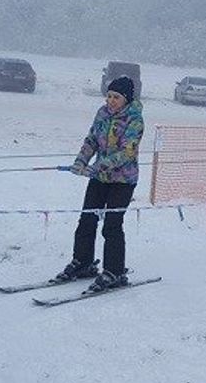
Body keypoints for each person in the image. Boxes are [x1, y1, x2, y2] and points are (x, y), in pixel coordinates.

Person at [54, 76, 145, 292]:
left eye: (116, 97)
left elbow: (127, 152)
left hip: (123, 180)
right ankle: (83, 262)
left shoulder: (135, 120)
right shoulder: (102, 113)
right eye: (109, 96)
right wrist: (81, 161)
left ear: (126, 99)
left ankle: (115, 271)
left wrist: (97, 167)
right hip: (100, 178)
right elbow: (92, 140)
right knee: (87, 219)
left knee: (112, 225)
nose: (111, 101)